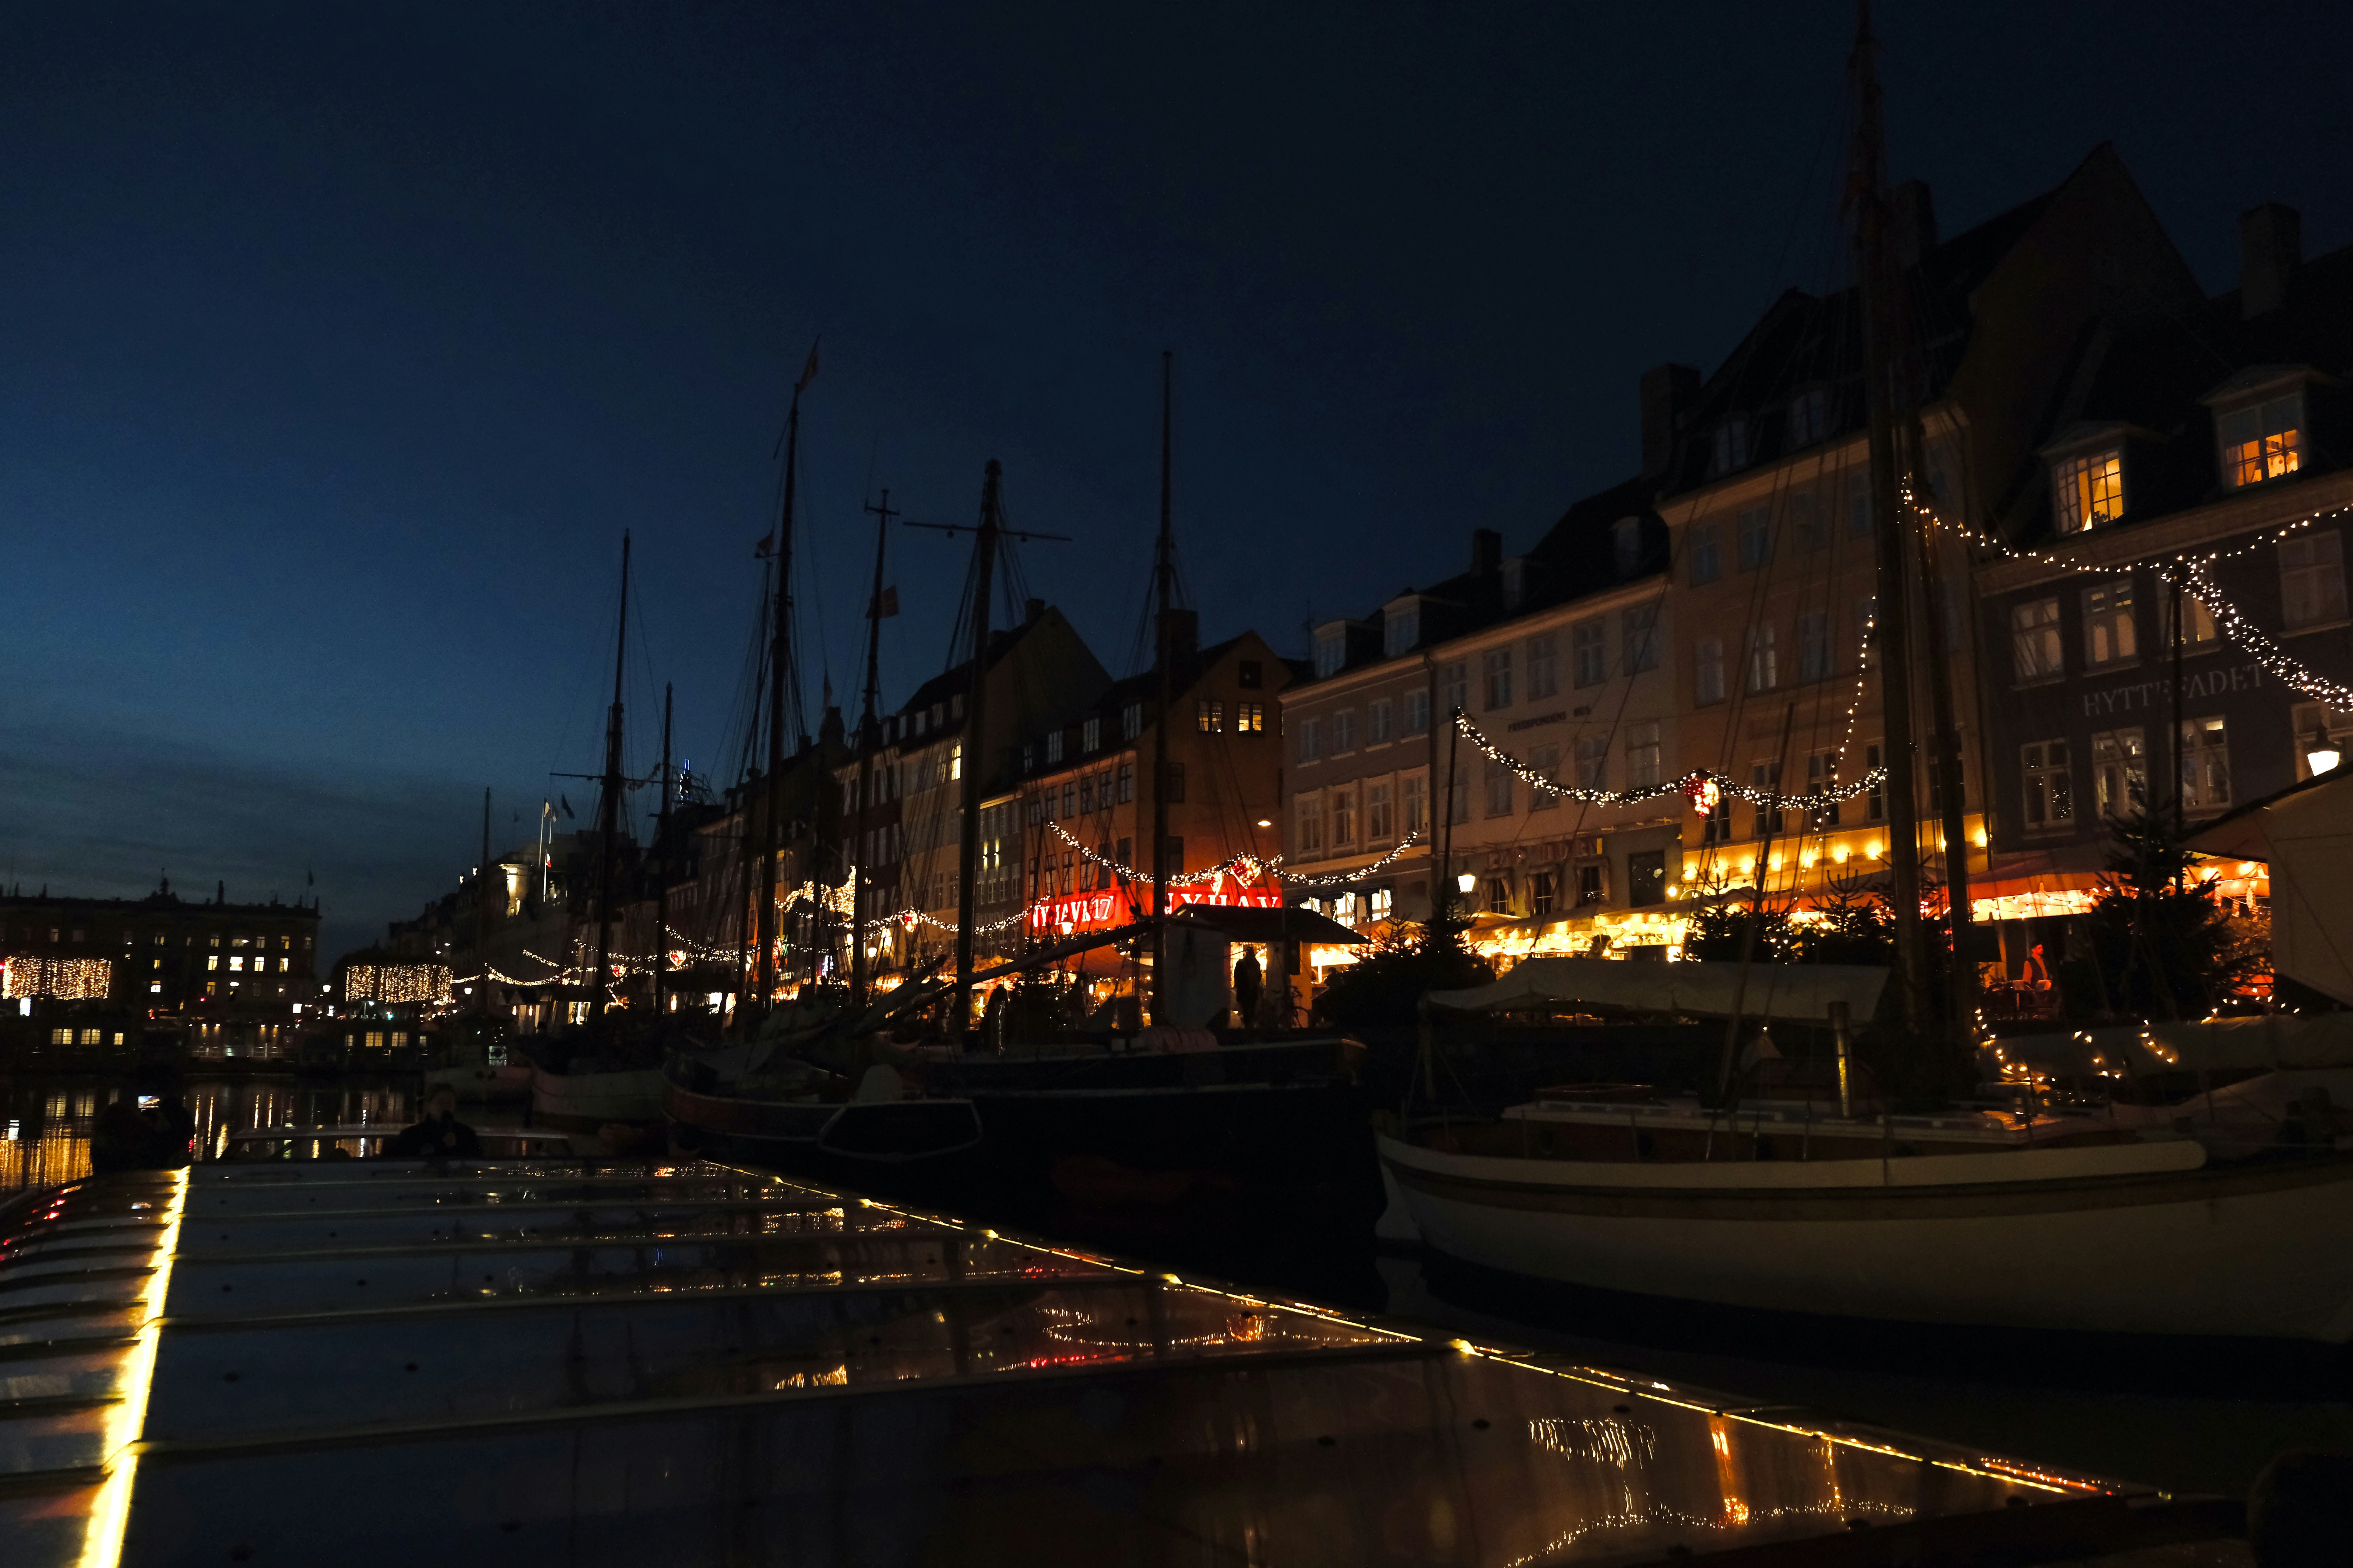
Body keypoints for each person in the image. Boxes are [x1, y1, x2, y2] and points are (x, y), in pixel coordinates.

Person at [385, 1084, 483, 1159]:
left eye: (450, 1103)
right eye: (441, 1102)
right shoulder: (411, 1135)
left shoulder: (467, 1134)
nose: (446, 1106)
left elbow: (476, 1161)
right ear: (429, 1105)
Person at [1233, 946, 1264, 1028]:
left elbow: (1237, 976)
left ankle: (1248, 1026)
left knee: (1249, 1011)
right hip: (1248, 991)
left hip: (1249, 991)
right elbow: (1237, 976)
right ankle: (1249, 1026)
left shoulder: (1247, 964)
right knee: (1248, 1011)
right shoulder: (1253, 964)